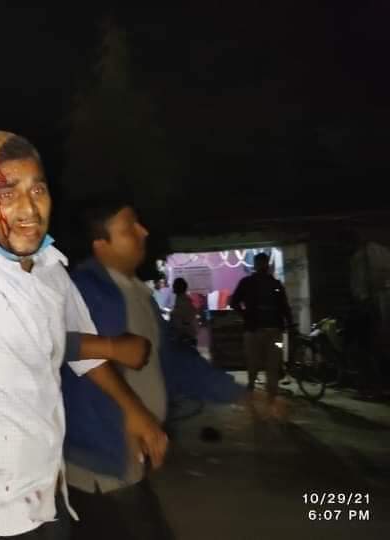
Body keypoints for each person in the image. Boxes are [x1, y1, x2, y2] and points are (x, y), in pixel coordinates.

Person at [0, 134, 168, 539]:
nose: (28, 208)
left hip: (48, 487)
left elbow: (79, 350)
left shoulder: (51, 269)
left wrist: (135, 410)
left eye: (37, 190)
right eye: (7, 193)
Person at [61, 197, 245, 540]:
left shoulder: (137, 293)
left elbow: (171, 361)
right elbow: (72, 352)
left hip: (129, 460)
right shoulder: (84, 289)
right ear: (101, 244)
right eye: (129, 227)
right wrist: (135, 411)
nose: (143, 231)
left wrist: (239, 394)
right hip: (98, 463)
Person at [231, 252, 293, 417]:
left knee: (267, 361)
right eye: (261, 263)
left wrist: (245, 315)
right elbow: (234, 302)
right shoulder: (257, 283)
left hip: (268, 331)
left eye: (264, 263)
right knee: (259, 361)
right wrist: (246, 315)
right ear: (258, 265)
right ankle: (259, 388)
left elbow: (284, 306)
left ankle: (268, 393)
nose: (263, 266)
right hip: (261, 330)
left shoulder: (271, 284)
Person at [170, 277, 198, 345]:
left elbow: (182, 321)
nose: (173, 287)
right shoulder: (180, 299)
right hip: (185, 334)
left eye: (174, 285)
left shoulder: (183, 301)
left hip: (186, 336)